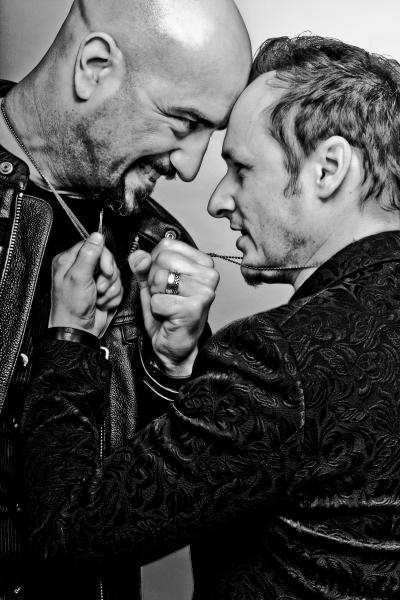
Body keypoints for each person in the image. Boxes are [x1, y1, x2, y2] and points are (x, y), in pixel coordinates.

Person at [22, 35, 400, 599]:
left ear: (328, 169)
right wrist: (176, 367)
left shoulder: (277, 359)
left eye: (240, 168)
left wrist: (69, 339)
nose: (217, 200)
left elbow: (64, 537)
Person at [0, 0, 251, 598]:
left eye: (211, 133)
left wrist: (172, 369)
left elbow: (145, 501)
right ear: (94, 67)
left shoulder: (157, 244)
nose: (191, 167)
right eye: (183, 120)